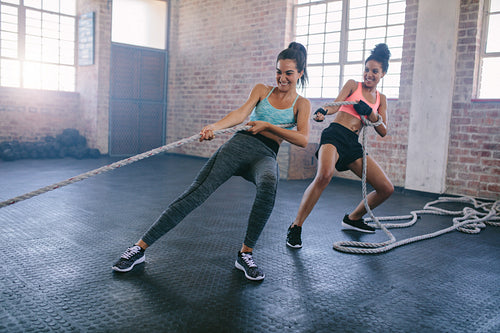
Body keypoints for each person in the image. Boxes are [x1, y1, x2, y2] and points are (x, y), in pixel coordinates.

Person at [113, 42, 311, 281]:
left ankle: (245, 254)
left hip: (265, 155)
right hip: (239, 146)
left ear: (300, 73)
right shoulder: (262, 90)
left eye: (289, 73)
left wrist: (269, 126)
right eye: (278, 71)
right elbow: (240, 113)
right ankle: (139, 248)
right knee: (195, 193)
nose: (282, 77)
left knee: (269, 183)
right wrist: (214, 127)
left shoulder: (302, 104)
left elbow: (302, 139)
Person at [286, 43, 394, 249]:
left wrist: (370, 113)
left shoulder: (382, 99)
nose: (369, 74)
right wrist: (323, 111)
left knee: (386, 188)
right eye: (367, 69)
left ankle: (353, 218)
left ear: (383, 74)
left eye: (375, 71)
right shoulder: (353, 85)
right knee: (324, 175)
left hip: (352, 144)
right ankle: (295, 227)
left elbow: (383, 130)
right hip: (335, 135)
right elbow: (335, 105)